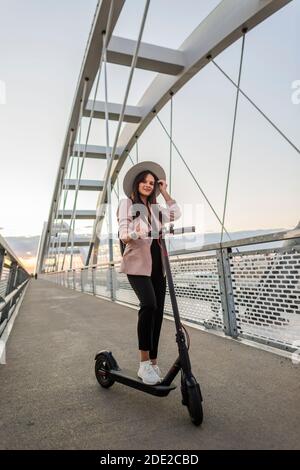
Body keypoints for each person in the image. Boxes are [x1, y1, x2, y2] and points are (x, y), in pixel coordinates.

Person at [116, 161, 181, 385]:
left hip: (157, 266)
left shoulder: (155, 209)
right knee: (149, 305)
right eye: (144, 181)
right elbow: (124, 233)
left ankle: (154, 363)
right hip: (137, 265)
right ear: (137, 183)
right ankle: (143, 364)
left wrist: (164, 191)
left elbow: (176, 214)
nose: (148, 184)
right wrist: (136, 231)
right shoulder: (127, 204)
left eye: (152, 183)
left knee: (158, 314)